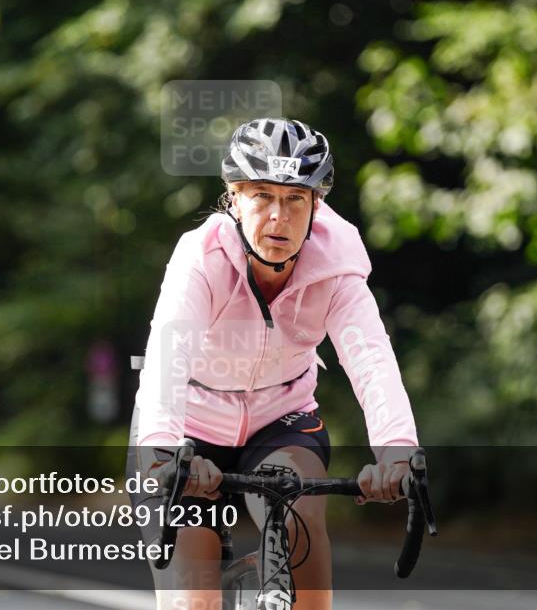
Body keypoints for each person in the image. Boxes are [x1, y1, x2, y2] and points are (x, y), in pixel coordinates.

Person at [130, 118, 419, 610]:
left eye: (295, 199)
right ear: (234, 199)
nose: (278, 217)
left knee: (299, 515)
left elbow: (371, 358)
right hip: (189, 427)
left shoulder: (337, 265)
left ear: (316, 206)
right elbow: (166, 359)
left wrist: (396, 453)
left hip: (280, 420)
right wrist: (162, 453)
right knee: (192, 601)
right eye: (262, 196)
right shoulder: (201, 258)